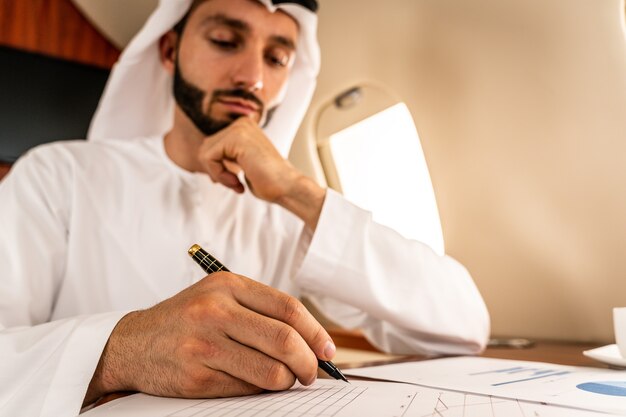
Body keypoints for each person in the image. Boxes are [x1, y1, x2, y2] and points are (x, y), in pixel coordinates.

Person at [0, 0, 490, 415]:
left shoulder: (285, 212)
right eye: (225, 41)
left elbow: (463, 328)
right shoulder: (57, 174)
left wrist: (299, 191)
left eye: (277, 58)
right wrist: (125, 351)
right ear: (169, 51)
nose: (252, 78)